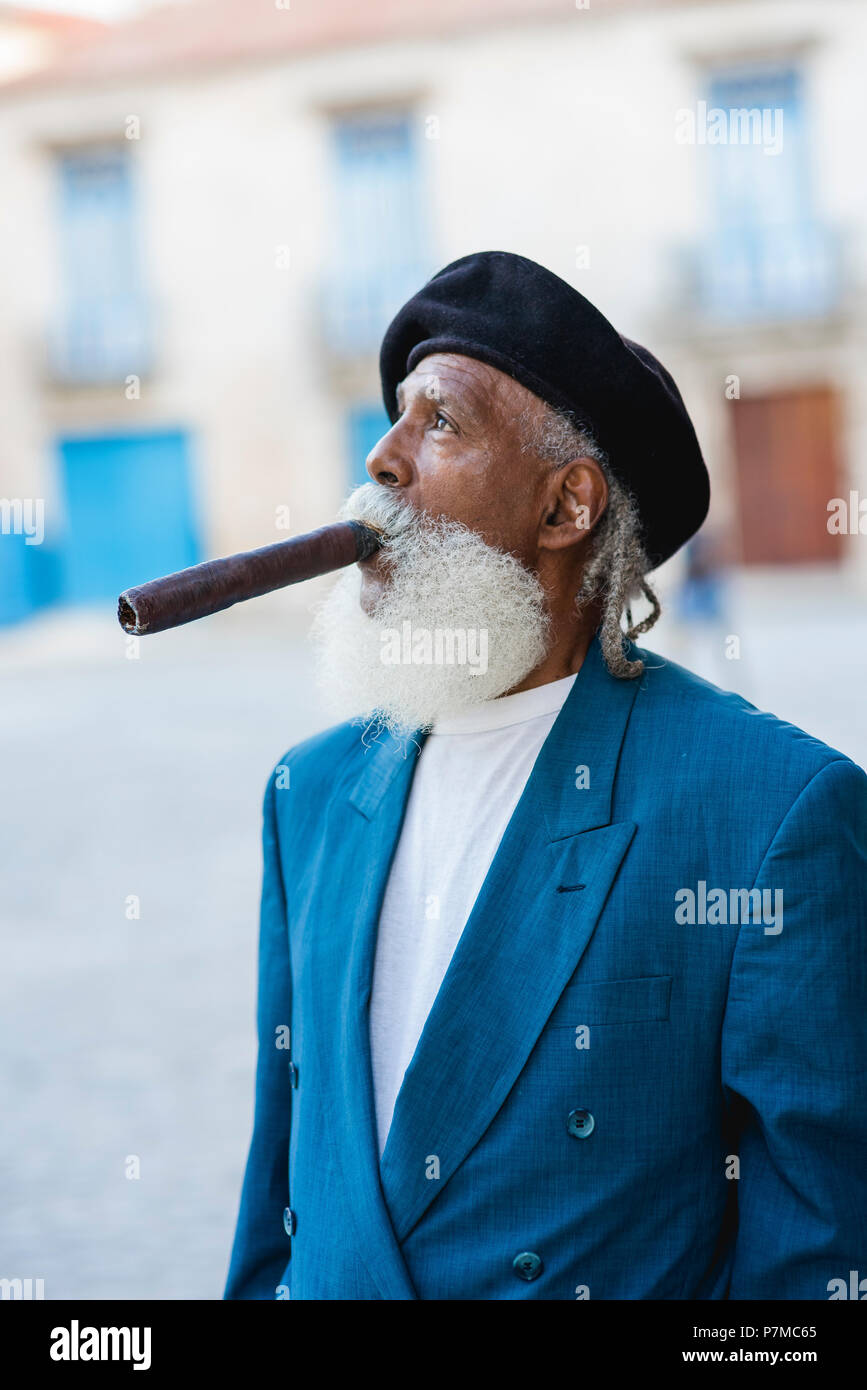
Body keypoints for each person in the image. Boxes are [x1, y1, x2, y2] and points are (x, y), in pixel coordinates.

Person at [224, 251, 867, 1301]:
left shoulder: (771, 809)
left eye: (441, 423)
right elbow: (281, 1205)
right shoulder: (307, 794)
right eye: (393, 419)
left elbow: (817, 1265)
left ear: (567, 507)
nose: (381, 462)